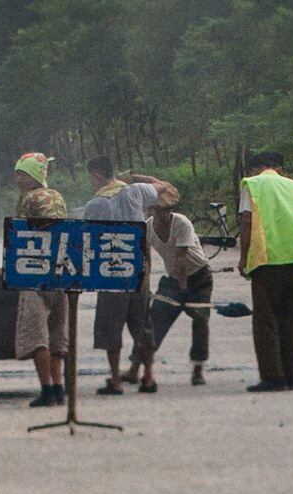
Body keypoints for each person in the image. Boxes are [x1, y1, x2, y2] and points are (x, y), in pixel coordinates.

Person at [78, 155, 177, 395]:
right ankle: (149, 377)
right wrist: (136, 178)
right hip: (138, 269)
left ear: (97, 175)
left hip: (110, 271)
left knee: (110, 326)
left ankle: (115, 379)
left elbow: (87, 241)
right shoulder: (137, 192)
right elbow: (164, 185)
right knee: (142, 324)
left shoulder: (95, 205)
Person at [238, 151, 293, 391]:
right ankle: (292, 376)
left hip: (266, 262)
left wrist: (243, 258)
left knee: (266, 321)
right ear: (278, 168)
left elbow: (247, 223)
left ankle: (273, 377)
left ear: (257, 168)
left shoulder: (252, 185)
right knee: (291, 321)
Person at [11, 152, 70, 408]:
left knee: (37, 335)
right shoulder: (57, 196)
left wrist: (7, 269)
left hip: (35, 272)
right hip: (61, 271)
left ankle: (46, 388)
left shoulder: (28, 198)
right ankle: (59, 387)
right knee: (57, 333)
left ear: (32, 175)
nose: (17, 179)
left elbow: (19, 235)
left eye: (21, 174)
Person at [145, 193, 214, 387]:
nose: (165, 214)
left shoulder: (182, 223)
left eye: (168, 210)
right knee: (155, 319)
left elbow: (182, 258)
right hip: (172, 279)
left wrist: (183, 287)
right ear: (152, 210)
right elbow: (146, 256)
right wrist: (146, 281)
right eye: (160, 210)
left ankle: (198, 368)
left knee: (200, 319)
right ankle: (138, 366)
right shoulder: (148, 227)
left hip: (198, 276)